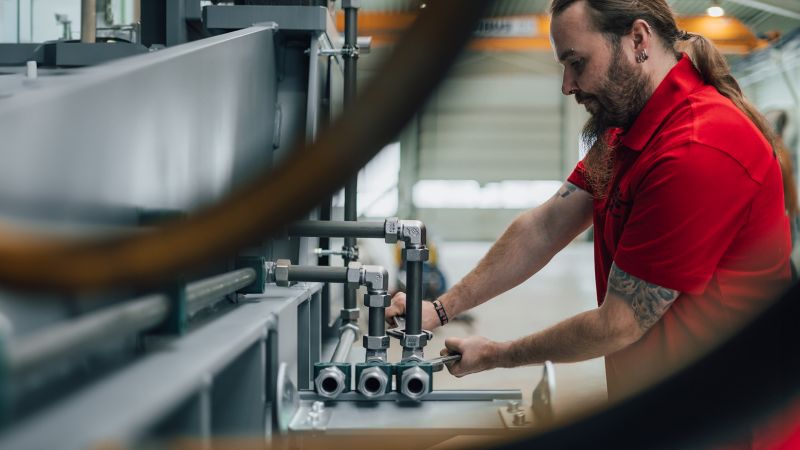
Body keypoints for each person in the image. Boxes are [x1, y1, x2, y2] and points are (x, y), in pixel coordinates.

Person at [385, 0, 793, 407]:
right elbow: (547, 225)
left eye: (577, 62)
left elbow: (618, 323)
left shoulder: (696, 148)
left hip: (727, 418)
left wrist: (497, 354)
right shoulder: (627, 129)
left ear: (638, 40)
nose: (567, 85)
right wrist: (440, 309)